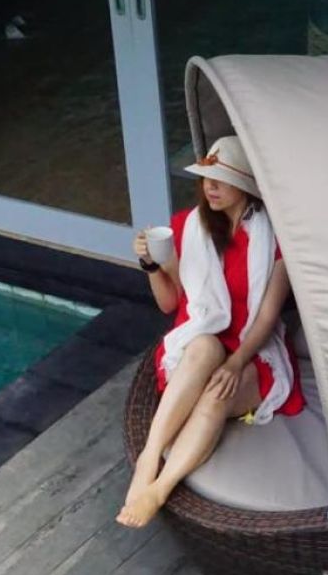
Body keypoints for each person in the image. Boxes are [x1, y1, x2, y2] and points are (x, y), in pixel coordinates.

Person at [117, 135, 304, 528]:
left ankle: (159, 488)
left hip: (252, 352)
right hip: (197, 349)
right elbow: (170, 305)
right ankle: (150, 457)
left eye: (220, 178)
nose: (210, 187)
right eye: (206, 178)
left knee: (216, 398)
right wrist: (151, 265)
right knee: (204, 347)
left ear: (246, 185)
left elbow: (268, 316)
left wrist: (236, 363)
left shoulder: (274, 241)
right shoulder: (187, 228)